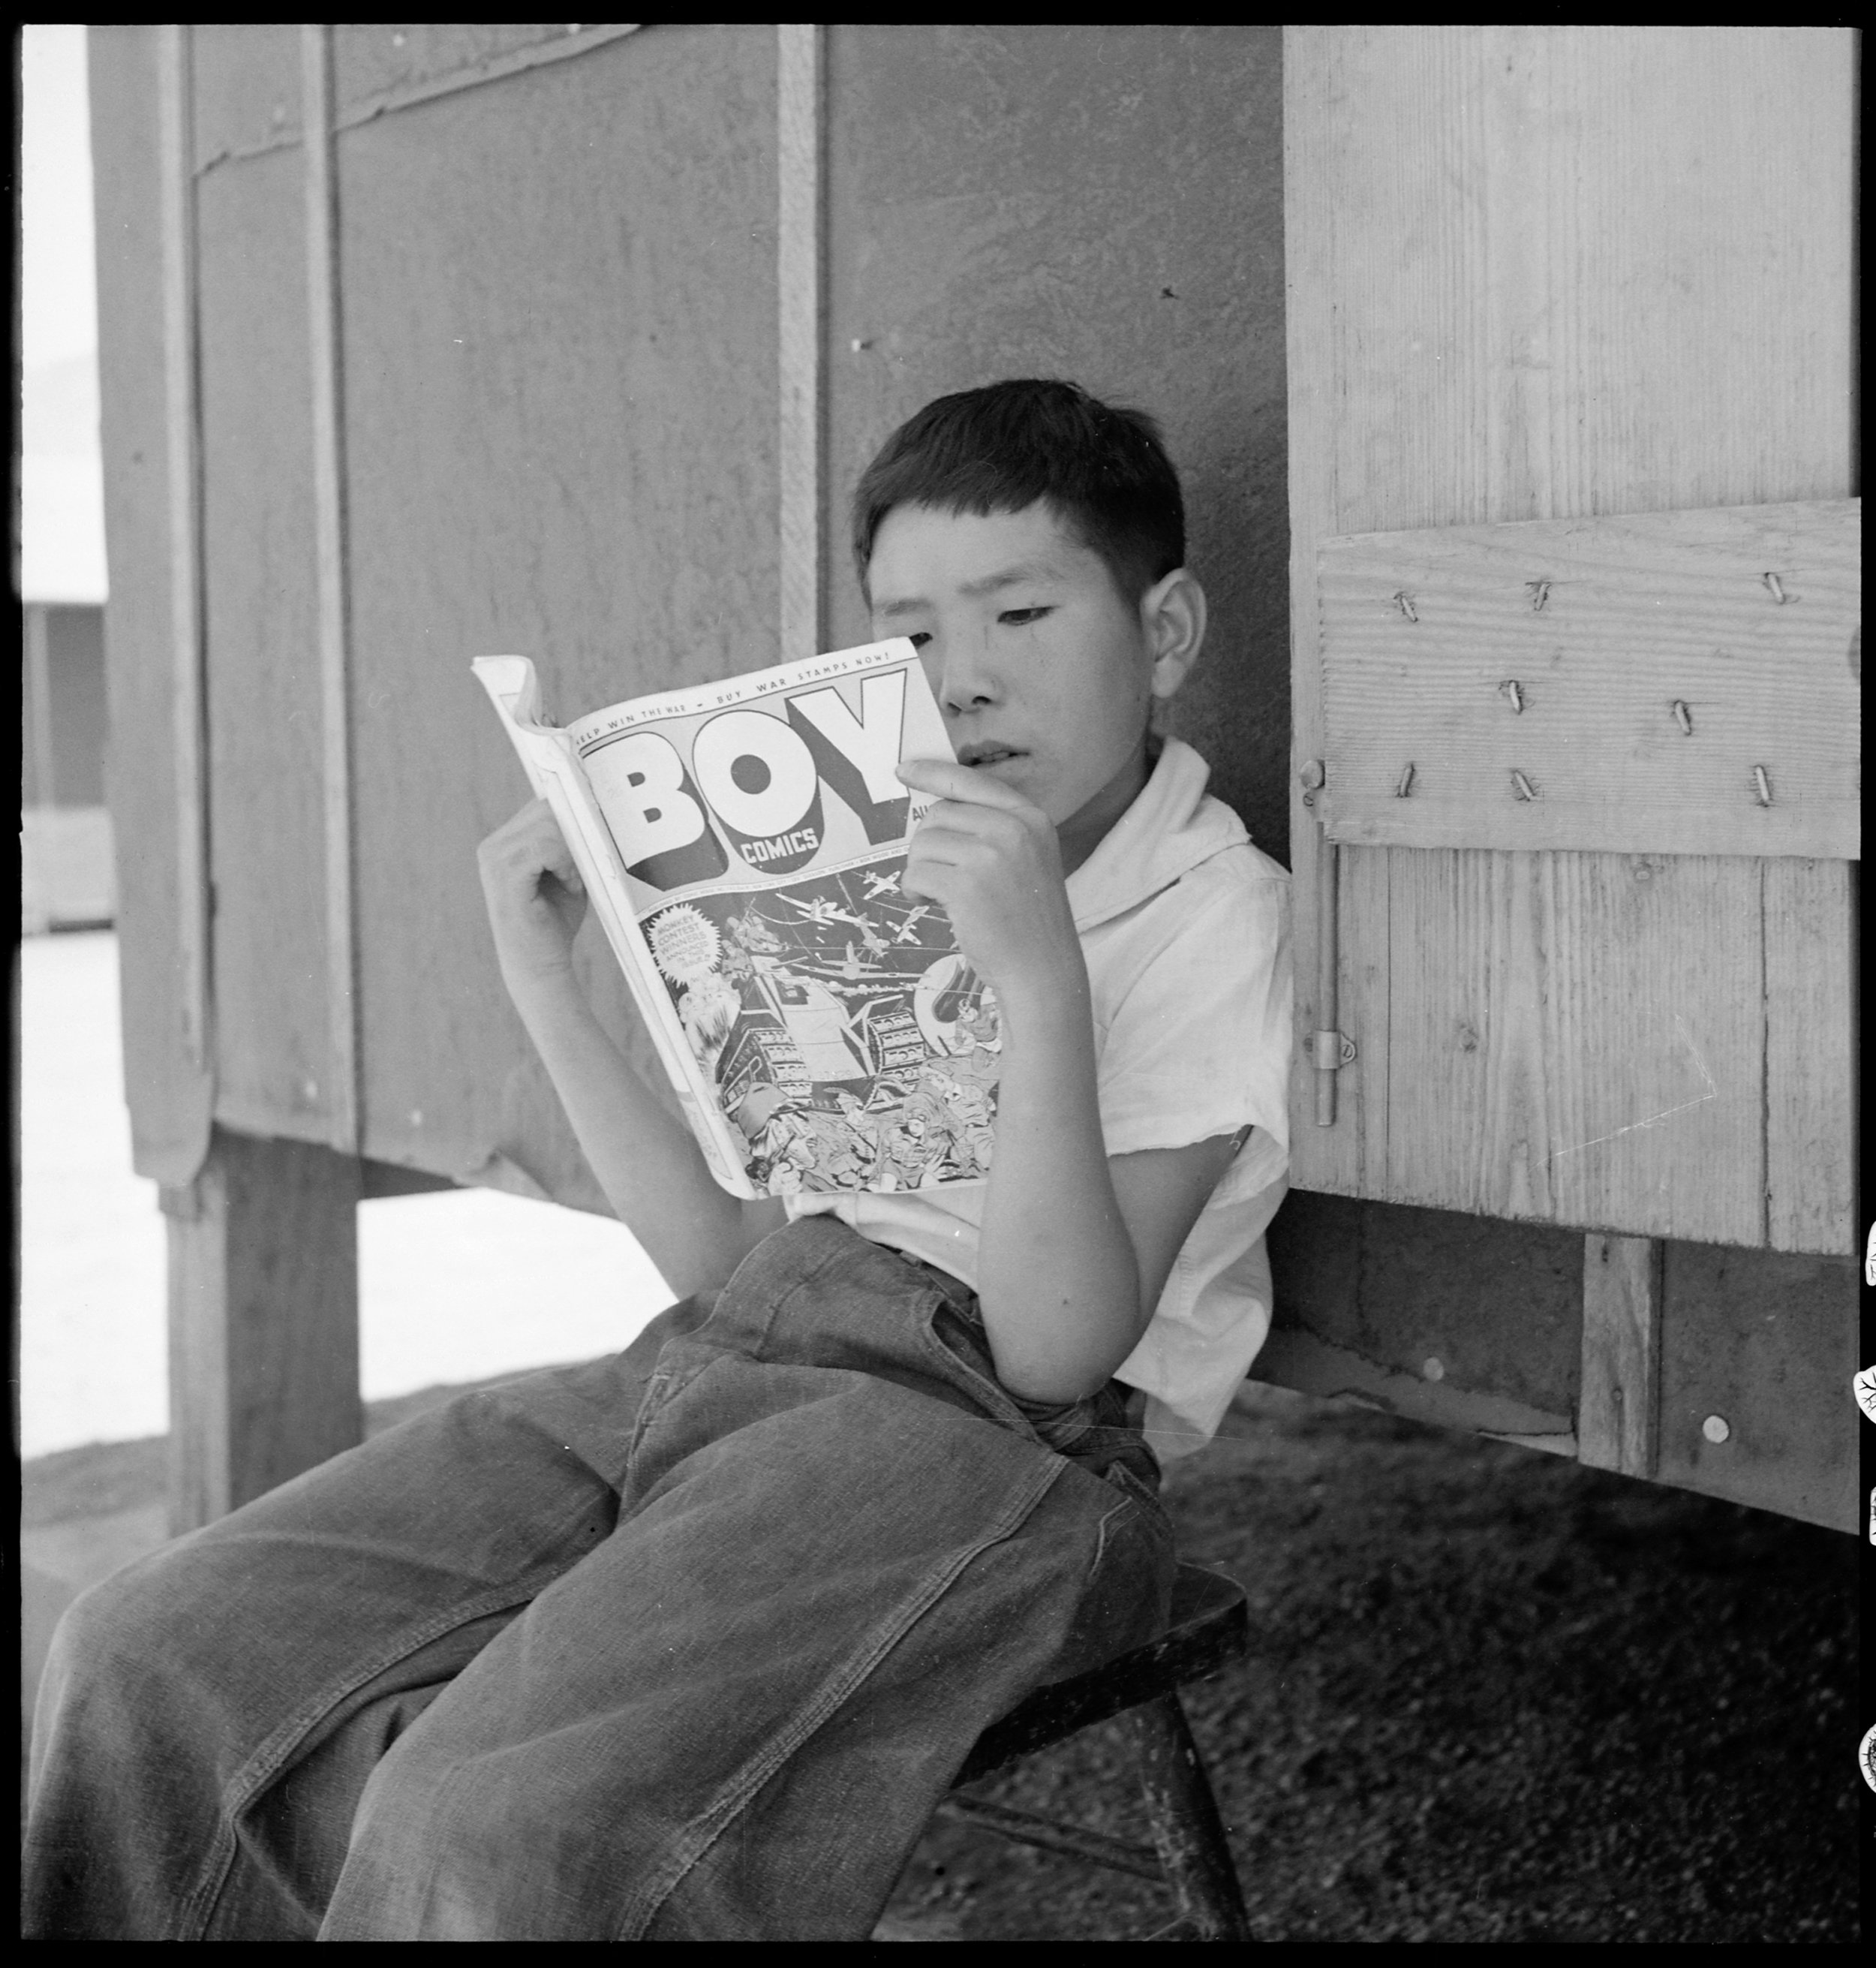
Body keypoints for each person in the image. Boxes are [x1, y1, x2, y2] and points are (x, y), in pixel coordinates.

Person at [23, 379, 1291, 1941]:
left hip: (989, 1444)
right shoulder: (864, 872)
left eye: (1020, 612)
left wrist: (1035, 982)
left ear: (1163, 634)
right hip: (726, 1364)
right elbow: (727, 1270)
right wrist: (549, 981)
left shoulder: (1211, 911)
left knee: (493, 1821)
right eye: (904, 639)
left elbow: (1049, 1353)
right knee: (149, 1645)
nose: (960, 683)